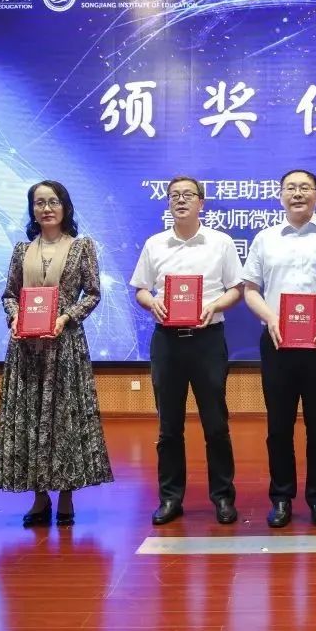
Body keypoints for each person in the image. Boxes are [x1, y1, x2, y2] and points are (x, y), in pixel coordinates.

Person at [0, 180, 113, 526]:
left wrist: (65, 317)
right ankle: (39, 496)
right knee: (30, 418)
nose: (46, 208)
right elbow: (9, 294)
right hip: (26, 348)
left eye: (53, 201)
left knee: (64, 418)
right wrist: (15, 316)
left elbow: (93, 293)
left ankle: (67, 495)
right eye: (39, 202)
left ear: (65, 207)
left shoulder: (82, 247)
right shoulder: (21, 250)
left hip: (65, 345)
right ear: (32, 209)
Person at [242, 169, 316, 529]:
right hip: (277, 341)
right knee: (278, 426)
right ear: (280, 195)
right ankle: (281, 498)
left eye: (305, 188)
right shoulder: (265, 238)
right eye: (290, 188)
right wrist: (271, 318)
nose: (297, 193)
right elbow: (250, 289)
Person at [130, 175, 245, 526]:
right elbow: (140, 289)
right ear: (168, 202)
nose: (181, 200)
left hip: (207, 340)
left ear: (201, 203)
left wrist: (215, 305)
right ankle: (170, 498)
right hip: (167, 341)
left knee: (216, 424)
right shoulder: (155, 244)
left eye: (188, 195)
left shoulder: (221, 242)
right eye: (174, 195)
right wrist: (151, 302)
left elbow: (236, 288)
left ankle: (222, 497)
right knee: (169, 426)